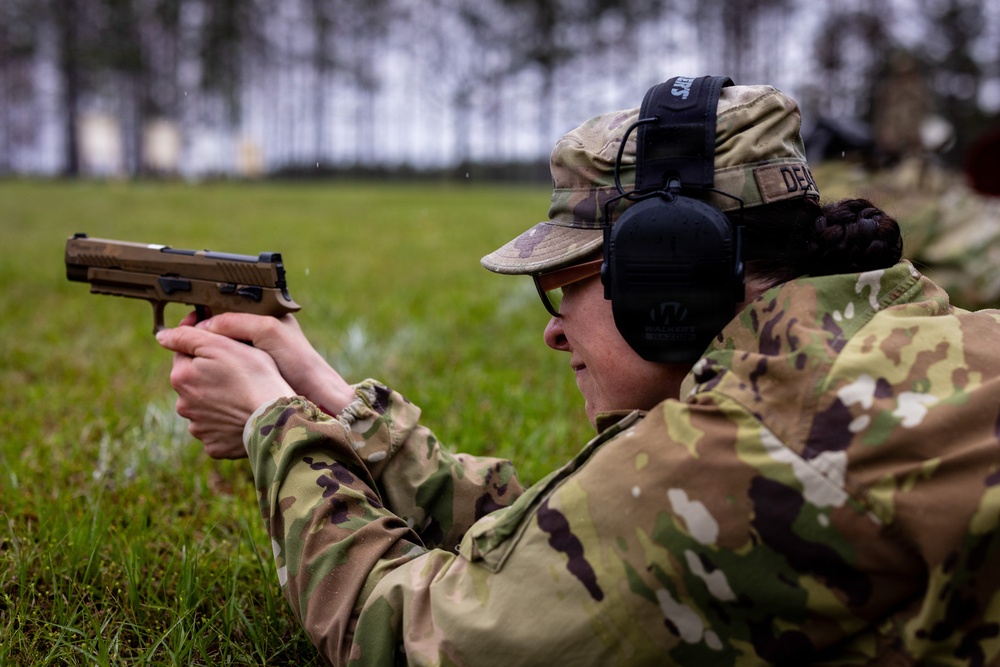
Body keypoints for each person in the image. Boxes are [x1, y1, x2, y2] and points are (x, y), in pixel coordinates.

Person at [155, 80, 1000, 666]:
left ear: (672, 274)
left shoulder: (760, 445)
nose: (556, 333)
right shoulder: (881, 346)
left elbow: (412, 634)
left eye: (565, 289)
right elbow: (578, 542)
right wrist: (333, 397)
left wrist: (275, 425)